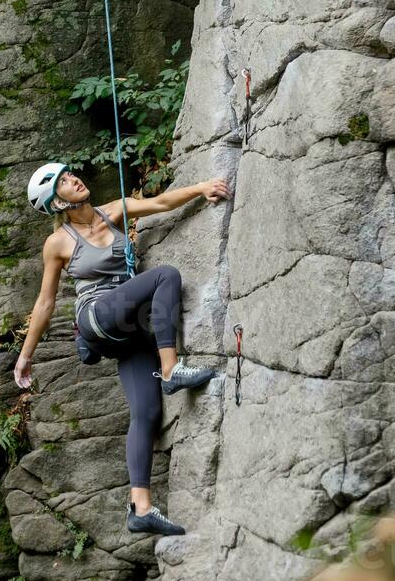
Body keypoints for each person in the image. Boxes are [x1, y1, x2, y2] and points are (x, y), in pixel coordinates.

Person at [15, 162, 232, 536]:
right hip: (96, 316)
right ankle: (170, 370)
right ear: (56, 204)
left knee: (146, 412)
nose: (74, 179)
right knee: (165, 275)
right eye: (63, 182)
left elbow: (162, 203)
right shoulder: (58, 243)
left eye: (70, 174)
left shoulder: (112, 210)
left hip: (127, 331)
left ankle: (141, 508)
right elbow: (46, 302)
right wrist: (26, 356)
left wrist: (200, 188)